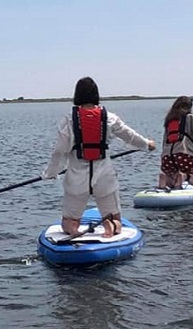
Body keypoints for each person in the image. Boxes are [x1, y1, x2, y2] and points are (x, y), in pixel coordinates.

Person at [41, 77, 156, 238]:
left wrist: (51, 173)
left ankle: (73, 229)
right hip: (105, 176)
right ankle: (111, 224)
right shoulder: (110, 118)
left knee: (68, 221)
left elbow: (60, 151)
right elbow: (130, 136)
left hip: (77, 178)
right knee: (115, 218)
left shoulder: (69, 120)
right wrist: (147, 144)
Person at [158, 96, 193, 190]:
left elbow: (165, 141)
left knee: (172, 180)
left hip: (167, 157)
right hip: (183, 155)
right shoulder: (190, 118)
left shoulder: (169, 120)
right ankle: (185, 176)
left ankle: (164, 179)